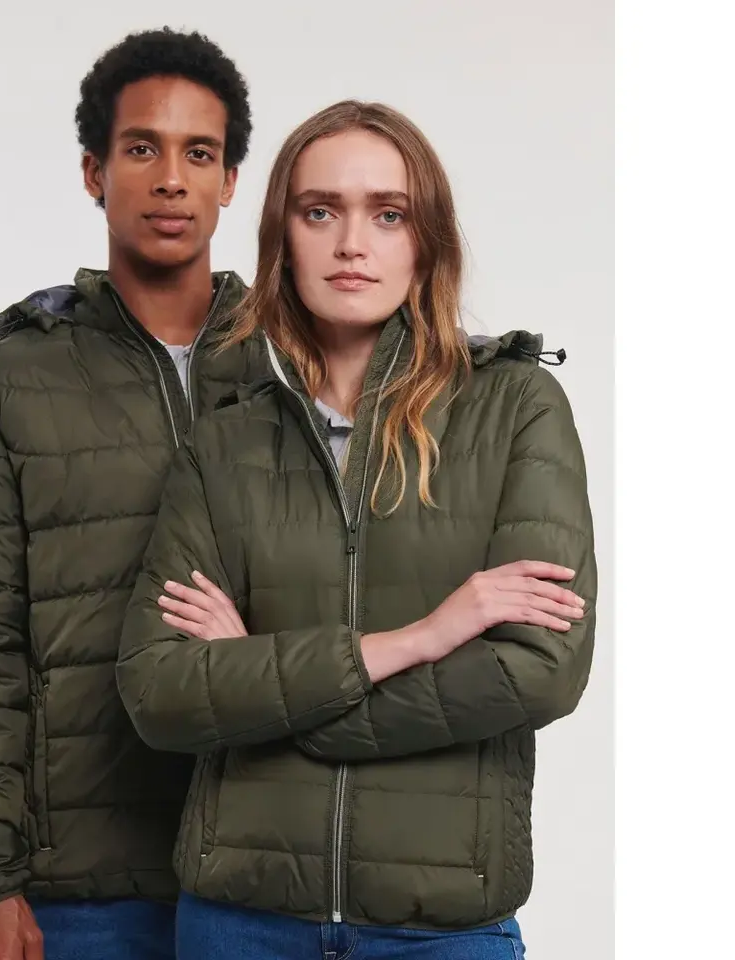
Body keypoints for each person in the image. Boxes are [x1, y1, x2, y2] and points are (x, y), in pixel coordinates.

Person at [117, 99, 596, 959]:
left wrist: (272, 694)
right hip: (240, 921)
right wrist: (416, 640)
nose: (351, 243)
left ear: (427, 240)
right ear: (282, 236)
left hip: (439, 931)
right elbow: (160, 690)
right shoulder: (225, 439)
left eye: (388, 214)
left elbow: (538, 671)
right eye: (319, 212)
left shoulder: (516, 407)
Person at [0, 27, 265, 960]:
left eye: (200, 153)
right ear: (93, 172)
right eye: (142, 148)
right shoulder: (3, 384)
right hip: (86, 888)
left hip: (278, 875)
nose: (171, 180)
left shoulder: (299, 362)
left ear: (231, 180)